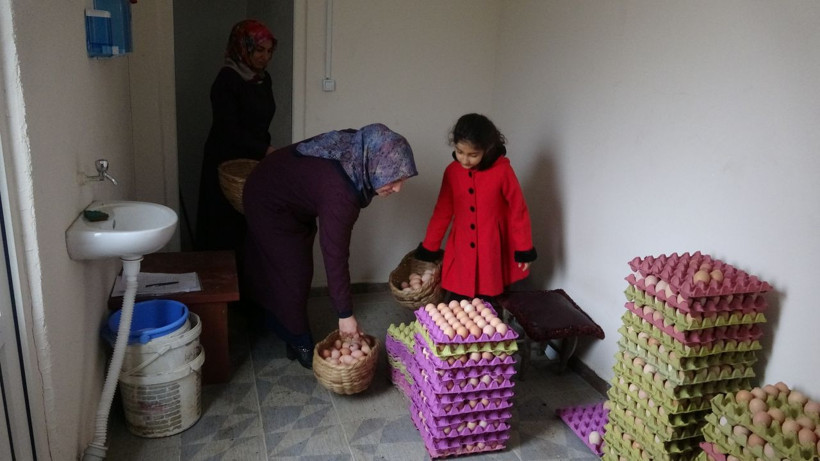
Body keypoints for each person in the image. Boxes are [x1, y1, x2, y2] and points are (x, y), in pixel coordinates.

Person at [242, 123, 417, 369]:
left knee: (291, 262)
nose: (398, 188)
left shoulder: (360, 150)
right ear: (374, 163)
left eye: (403, 179)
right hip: (266, 198)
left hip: (287, 195)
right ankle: (297, 338)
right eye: (394, 177)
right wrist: (345, 316)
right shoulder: (341, 193)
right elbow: (335, 254)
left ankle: (274, 321)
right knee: (294, 272)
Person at [415, 113, 537, 303]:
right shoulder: (451, 172)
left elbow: (518, 210)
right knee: (457, 304)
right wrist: (430, 247)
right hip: (461, 246)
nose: (464, 160)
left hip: (492, 245)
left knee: (489, 306)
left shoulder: (502, 171)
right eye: (459, 151)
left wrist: (524, 248)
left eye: (473, 155)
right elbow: (442, 211)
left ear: (487, 149)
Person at [195, 19, 277, 252]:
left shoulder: (262, 79)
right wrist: (265, 150)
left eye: (269, 51)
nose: (265, 57)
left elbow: (261, 120)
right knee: (224, 226)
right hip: (225, 160)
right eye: (259, 50)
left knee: (251, 222)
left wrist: (265, 151)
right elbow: (228, 129)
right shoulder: (227, 80)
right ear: (243, 47)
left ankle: (248, 282)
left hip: (254, 160)